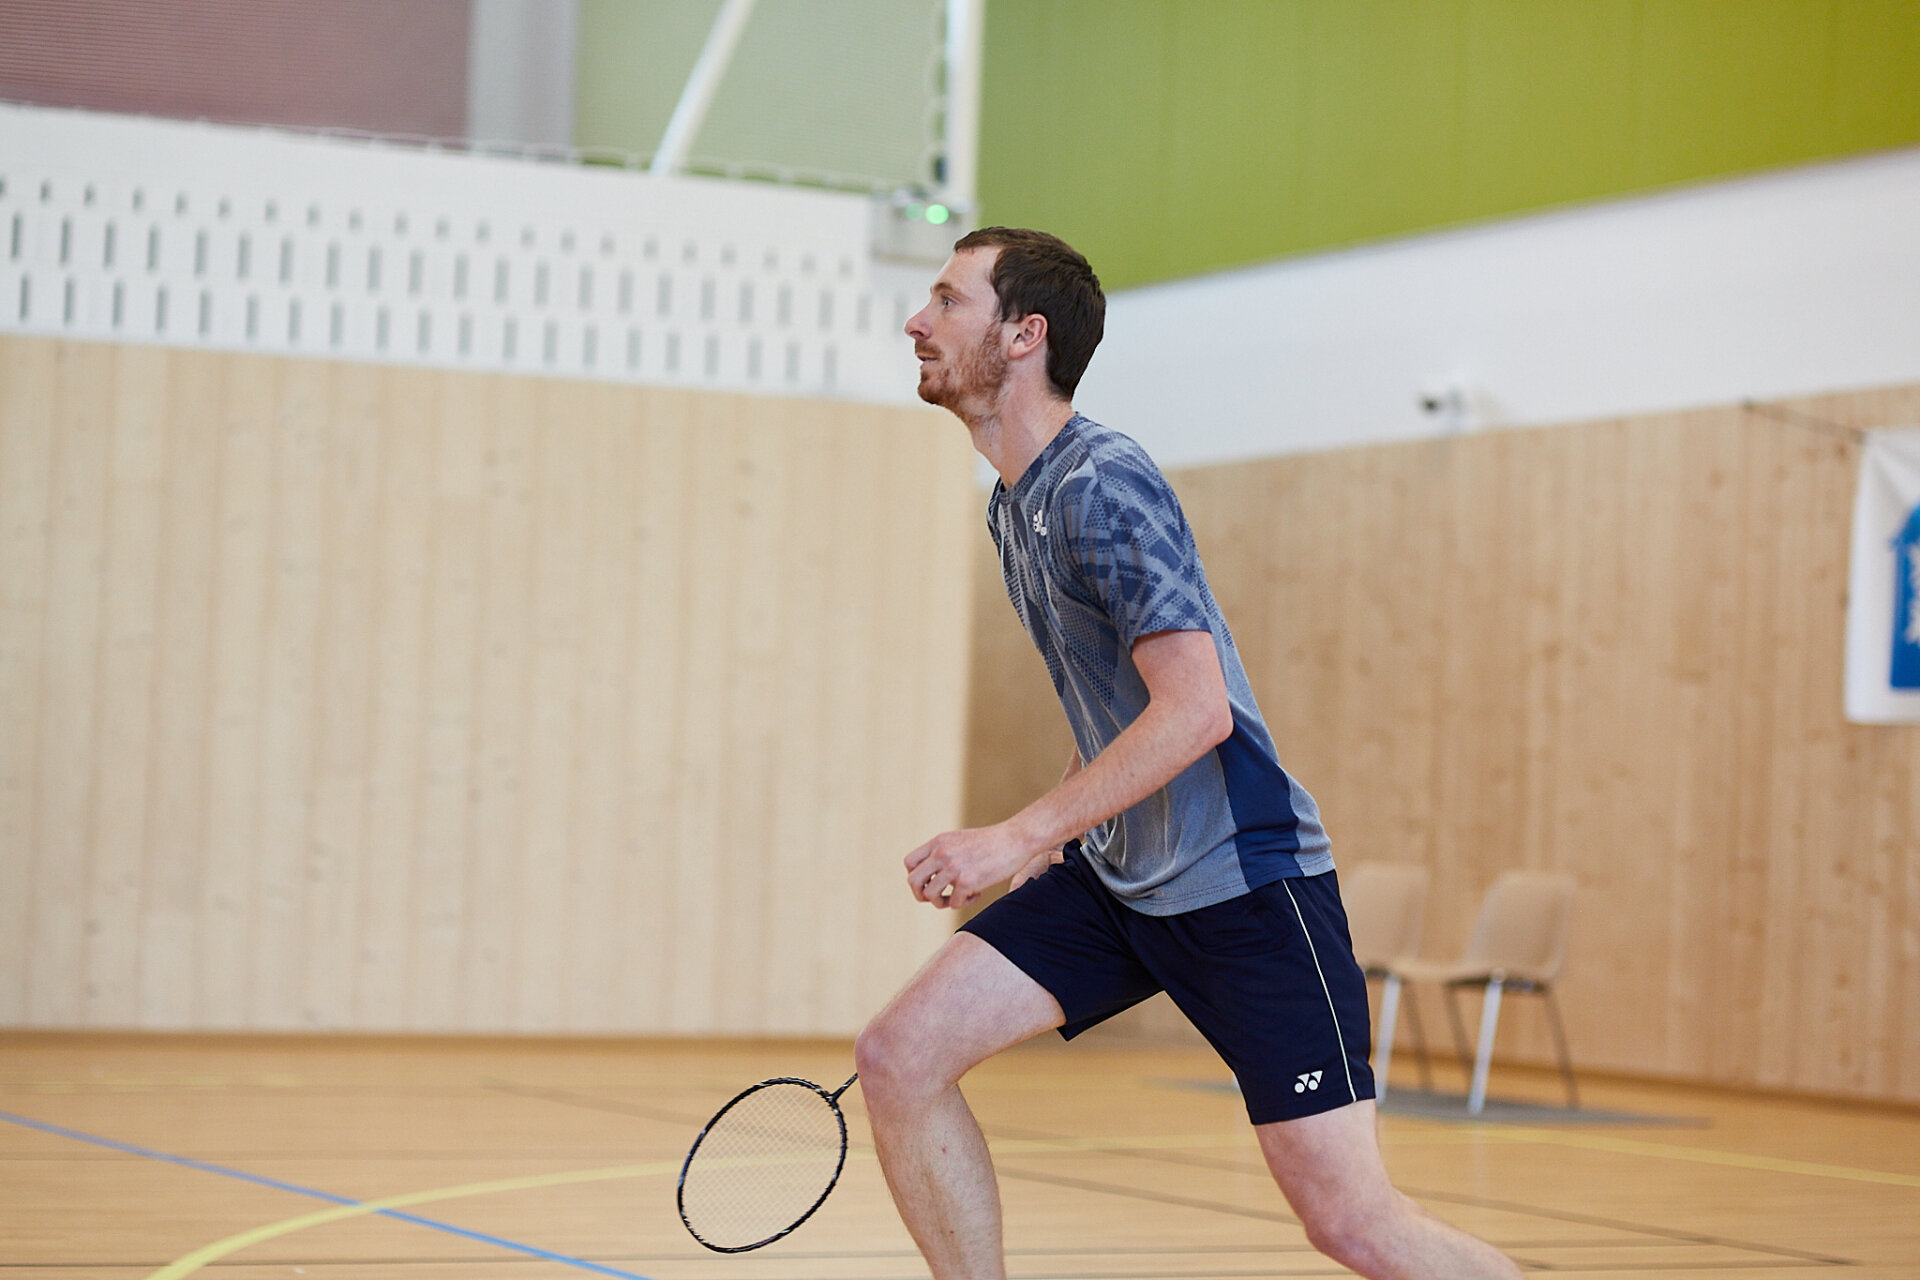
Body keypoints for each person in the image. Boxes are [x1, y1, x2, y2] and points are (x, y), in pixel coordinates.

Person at [855, 227, 1523, 1280]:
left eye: (947, 300)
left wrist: (1018, 834)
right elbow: (1112, 706)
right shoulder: (1015, 506)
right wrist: (1056, 832)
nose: (917, 321)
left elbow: (1196, 710)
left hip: (1244, 886)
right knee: (899, 1056)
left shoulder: (1103, 484)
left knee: (1353, 1225)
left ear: (1024, 335)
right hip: (1121, 882)